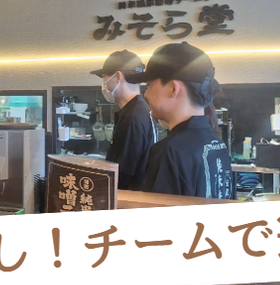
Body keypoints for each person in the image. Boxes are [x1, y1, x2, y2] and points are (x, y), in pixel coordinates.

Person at [125, 42, 234, 198]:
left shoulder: (169, 151)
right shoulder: (217, 144)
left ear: (173, 89)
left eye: (148, 86)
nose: (146, 94)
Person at [90, 50, 156, 191]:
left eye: (104, 78)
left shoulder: (132, 117)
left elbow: (122, 173)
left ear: (118, 76)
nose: (104, 85)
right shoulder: (140, 109)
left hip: (128, 196)